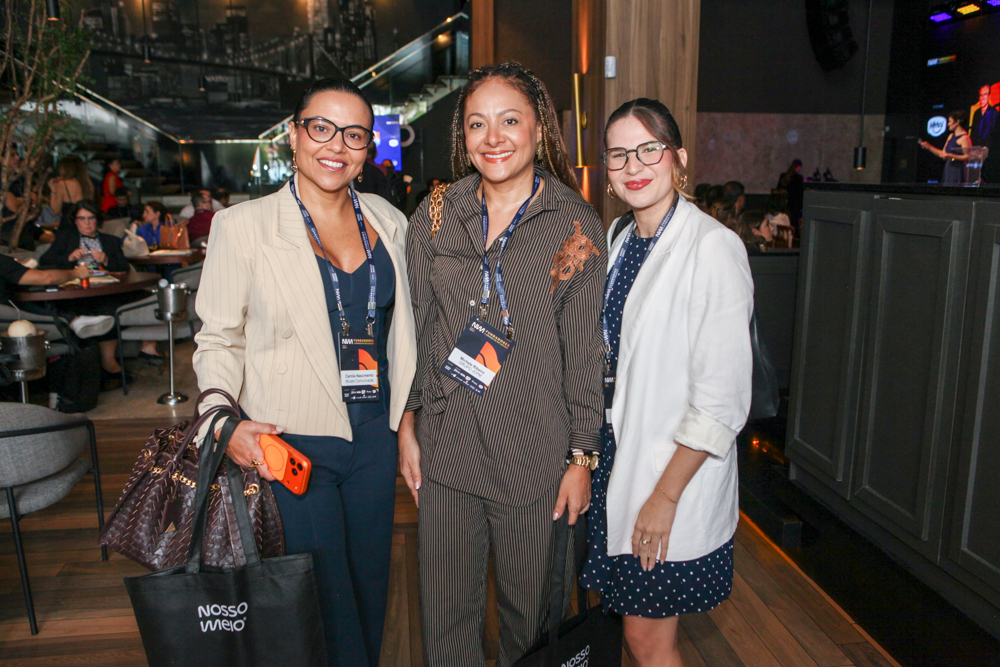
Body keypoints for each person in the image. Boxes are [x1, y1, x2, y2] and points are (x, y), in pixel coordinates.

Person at [192, 77, 416, 667]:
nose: (335, 145)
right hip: (288, 438)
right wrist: (220, 420)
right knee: (320, 600)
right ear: (293, 136)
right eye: (321, 128)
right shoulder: (243, 227)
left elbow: (404, 331)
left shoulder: (391, 221)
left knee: (370, 590)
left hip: (374, 436)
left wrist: (409, 424)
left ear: (369, 148)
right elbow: (218, 337)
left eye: (354, 134)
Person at [402, 61, 605, 667]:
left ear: (539, 129)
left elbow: (584, 356)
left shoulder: (576, 226)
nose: (494, 138)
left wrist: (581, 458)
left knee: (535, 624)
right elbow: (418, 331)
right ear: (462, 138)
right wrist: (407, 423)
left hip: (533, 461)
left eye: (510, 121)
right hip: (446, 451)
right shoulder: (436, 216)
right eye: (477, 124)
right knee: (445, 623)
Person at [579, 98, 753, 667]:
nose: (634, 165)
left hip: (670, 476)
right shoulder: (620, 238)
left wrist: (665, 496)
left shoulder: (712, 248)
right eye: (620, 153)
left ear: (678, 158)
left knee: (648, 641)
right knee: (633, 629)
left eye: (649, 149)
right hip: (617, 461)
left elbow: (722, 401)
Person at [39, 201, 161, 377]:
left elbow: (124, 268)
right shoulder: (65, 239)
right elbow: (44, 262)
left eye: (91, 218)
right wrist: (69, 258)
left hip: (108, 286)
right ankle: (109, 362)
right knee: (106, 306)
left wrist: (106, 261)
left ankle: (148, 347)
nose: (87, 223)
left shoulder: (109, 241)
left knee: (146, 297)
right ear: (76, 221)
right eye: (82, 219)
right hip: (79, 289)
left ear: (97, 220)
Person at [0, 255, 116, 339]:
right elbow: (46, 278)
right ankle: (71, 320)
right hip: (15, 326)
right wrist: (76, 273)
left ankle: (73, 319)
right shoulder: (3, 261)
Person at [920, 110, 971, 185]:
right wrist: (929, 147)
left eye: (950, 121)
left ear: (957, 122)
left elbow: (968, 156)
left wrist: (952, 156)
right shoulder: (950, 136)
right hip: (949, 168)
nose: (948, 124)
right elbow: (943, 154)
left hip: (958, 169)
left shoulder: (964, 138)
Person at [48, 155, 94, 224]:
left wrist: (53, 190)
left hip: (68, 225)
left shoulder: (63, 184)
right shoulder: (87, 184)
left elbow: (56, 210)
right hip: (85, 224)